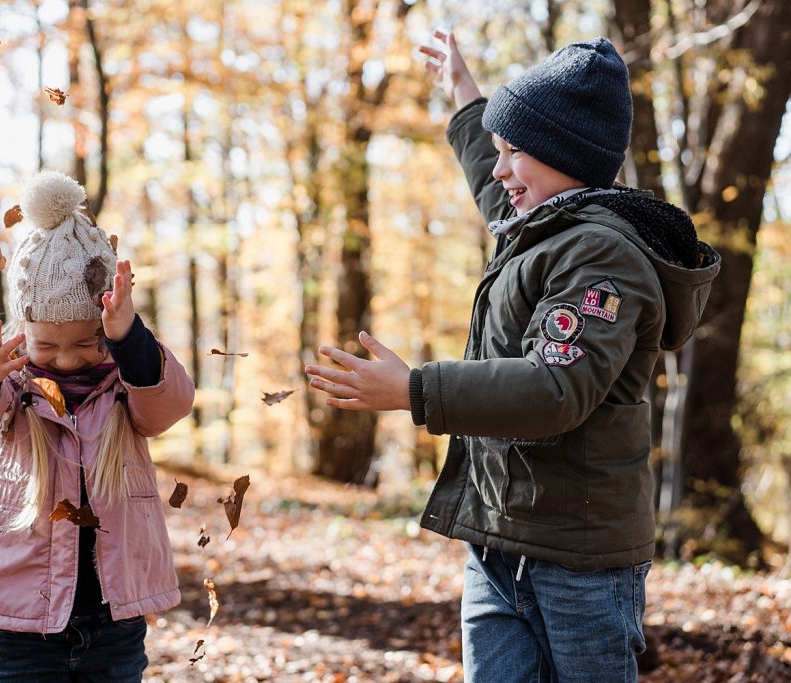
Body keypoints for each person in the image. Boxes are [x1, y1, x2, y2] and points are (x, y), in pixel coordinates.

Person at [305, 32, 720, 683]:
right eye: (500, 149)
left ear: (567, 156)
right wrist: (470, 99)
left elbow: (555, 389)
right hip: (499, 542)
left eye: (515, 151)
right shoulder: (540, 225)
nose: (499, 170)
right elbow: (489, 176)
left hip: (576, 559)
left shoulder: (600, 255)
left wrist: (417, 389)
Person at [0, 170, 195, 682]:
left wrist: (130, 339)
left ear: (108, 335)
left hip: (112, 624)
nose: (63, 359)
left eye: (86, 344)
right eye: (46, 345)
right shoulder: (14, 390)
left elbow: (170, 403)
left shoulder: (129, 387)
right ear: (24, 332)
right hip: (20, 625)